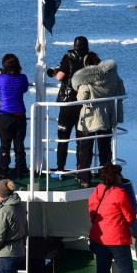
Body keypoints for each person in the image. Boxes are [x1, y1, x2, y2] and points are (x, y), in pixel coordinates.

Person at [71, 55, 125, 187]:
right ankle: (106, 178)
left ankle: (84, 178)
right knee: (105, 151)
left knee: (86, 150)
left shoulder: (86, 80)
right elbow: (121, 91)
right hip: (107, 117)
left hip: (90, 120)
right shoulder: (113, 76)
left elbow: (81, 98)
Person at [49, 36, 89, 172]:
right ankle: (81, 169)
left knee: (63, 138)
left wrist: (57, 70)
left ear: (74, 46)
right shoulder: (90, 59)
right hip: (83, 103)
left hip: (67, 103)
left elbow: (59, 77)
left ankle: (60, 167)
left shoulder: (69, 58)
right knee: (81, 139)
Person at [0, 54, 29, 180]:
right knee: (19, 145)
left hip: (5, 115)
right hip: (20, 114)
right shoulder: (23, 77)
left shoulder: (1, 78)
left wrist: (0, 76)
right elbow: (24, 89)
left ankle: (3, 173)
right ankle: (20, 171)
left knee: (4, 145)